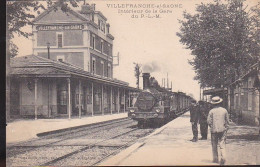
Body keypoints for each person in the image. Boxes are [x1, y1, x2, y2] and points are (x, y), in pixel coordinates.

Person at [207, 96, 230, 165]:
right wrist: (226, 128)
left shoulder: (211, 111)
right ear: (220, 102)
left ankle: (215, 159)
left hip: (214, 131)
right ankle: (223, 158)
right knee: (222, 144)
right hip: (223, 130)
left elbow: (209, 121)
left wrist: (212, 127)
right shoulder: (224, 110)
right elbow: (227, 121)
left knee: (214, 145)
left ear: (213, 103)